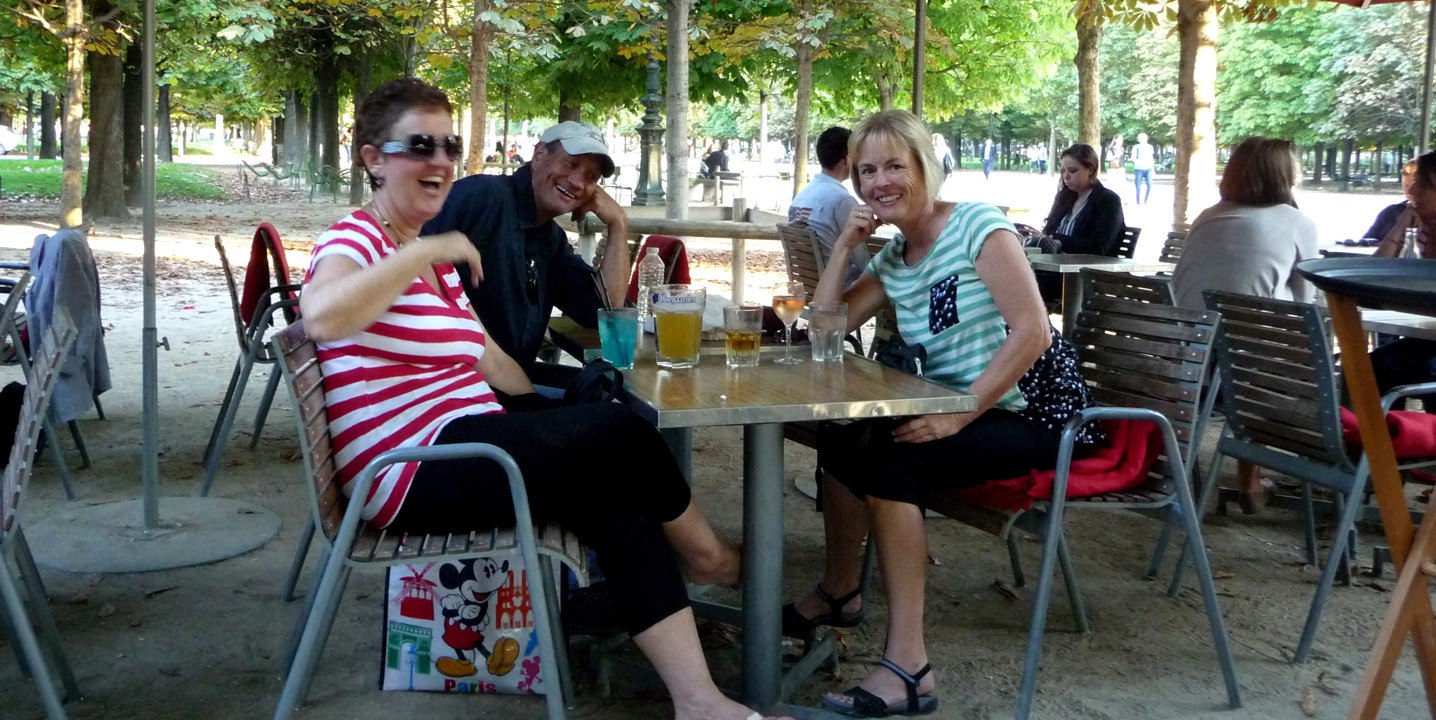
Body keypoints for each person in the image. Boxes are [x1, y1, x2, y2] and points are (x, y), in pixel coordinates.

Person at [300, 78, 788, 720]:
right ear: (372, 158)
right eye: (420, 146)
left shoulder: (441, 255)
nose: (442, 161)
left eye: (449, 145)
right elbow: (324, 317)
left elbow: (495, 359)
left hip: (466, 435)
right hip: (411, 470)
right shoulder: (361, 239)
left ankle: (699, 702)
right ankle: (709, 557)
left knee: (611, 486)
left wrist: (546, 419)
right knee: (620, 431)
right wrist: (427, 249)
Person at [787, 109, 1087, 717]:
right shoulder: (895, 256)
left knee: (895, 460)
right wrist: (846, 243)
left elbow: (1031, 334)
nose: (880, 181)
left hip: (1033, 413)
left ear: (925, 166)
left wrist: (960, 415)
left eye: (896, 165)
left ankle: (909, 666)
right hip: (960, 408)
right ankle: (840, 591)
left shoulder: (978, 224)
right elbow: (827, 328)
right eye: (867, 171)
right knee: (844, 439)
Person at [420, 120, 630, 392]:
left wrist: (618, 224)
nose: (578, 182)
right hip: (452, 389)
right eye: (571, 164)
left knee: (604, 392)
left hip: (509, 380)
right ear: (539, 154)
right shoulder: (483, 196)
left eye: (592, 177)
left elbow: (604, 310)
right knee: (617, 421)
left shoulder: (552, 239)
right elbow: (408, 261)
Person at [1171, 136, 1319, 513]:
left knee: (1246, 336)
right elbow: (1306, 306)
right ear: (1284, 174)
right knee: (1262, 338)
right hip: (1246, 365)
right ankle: (1250, 482)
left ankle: (1239, 479)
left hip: (1189, 353)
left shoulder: (1209, 216)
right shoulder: (1297, 222)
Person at [1369, 153, 1436, 413]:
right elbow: (1376, 272)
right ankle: (1380, 444)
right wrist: (1400, 227)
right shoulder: (1424, 227)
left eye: (1424, 185)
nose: (1412, 189)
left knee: (1429, 370)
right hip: (1426, 337)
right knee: (1372, 366)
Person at [1035, 143, 1125, 302]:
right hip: (1059, 272)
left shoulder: (1107, 201)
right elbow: (1049, 232)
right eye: (1063, 171)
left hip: (1089, 276)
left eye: (1072, 171)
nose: (1066, 176)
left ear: (1090, 170)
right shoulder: (1065, 197)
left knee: (1016, 283)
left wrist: (1056, 238)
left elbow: (1098, 248)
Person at [789, 126, 869, 286]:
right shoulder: (841, 201)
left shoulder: (800, 197)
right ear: (847, 158)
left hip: (807, 284)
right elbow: (863, 263)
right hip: (840, 288)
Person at [1369, 159, 1423, 255]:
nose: (1410, 191)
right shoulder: (1391, 212)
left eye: (1418, 186)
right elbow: (1367, 240)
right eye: (1405, 186)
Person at [1131, 132, 1155, 205]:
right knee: (1138, 185)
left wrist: (1153, 169)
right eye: (1141, 138)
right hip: (1139, 168)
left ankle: (1145, 200)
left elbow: (1151, 158)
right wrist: (1139, 163)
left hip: (1148, 168)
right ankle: (1138, 200)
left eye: (1144, 138)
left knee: (1150, 184)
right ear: (1139, 139)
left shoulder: (1150, 147)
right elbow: (1133, 158)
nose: (1142, 140)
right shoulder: (1136, 147)